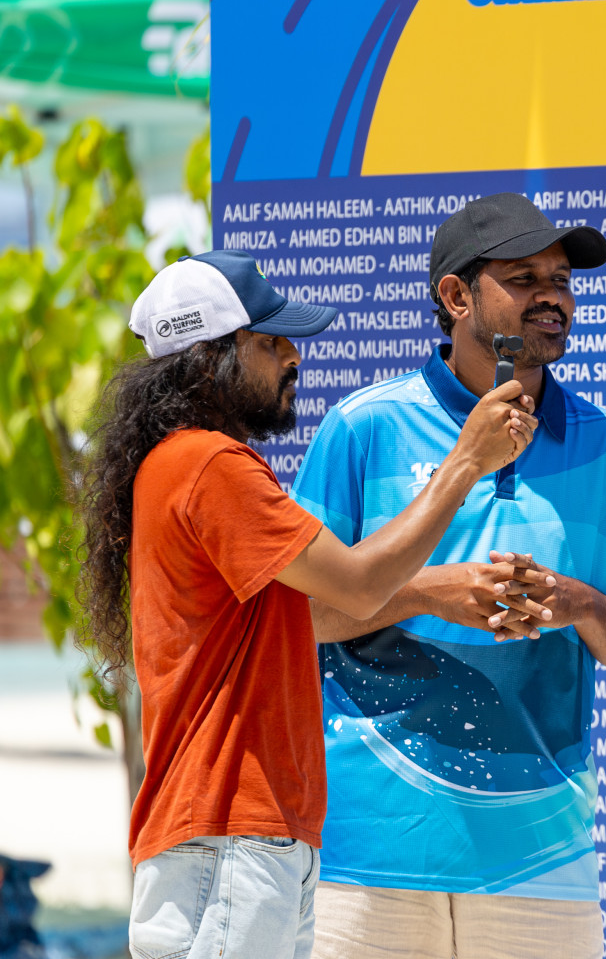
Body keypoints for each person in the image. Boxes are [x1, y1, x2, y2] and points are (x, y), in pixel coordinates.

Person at [78, 249, 538, 959]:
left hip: (241, 836)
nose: (295, 356)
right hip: (229, 835)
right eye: (272, 342)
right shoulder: (210, 466)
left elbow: (318, 612)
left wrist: (433, 592)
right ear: (212, 355)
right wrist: (466, 462)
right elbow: (357, 584)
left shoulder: (181, 464)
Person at [290, 193, 606, 959]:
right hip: (372, 850)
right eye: (524, 278)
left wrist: (578, 603)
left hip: (542, 855)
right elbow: (296, 621)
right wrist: (430, 594)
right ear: (456, 297)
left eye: (561, 280)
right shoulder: (363, 428)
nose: (552, 298)